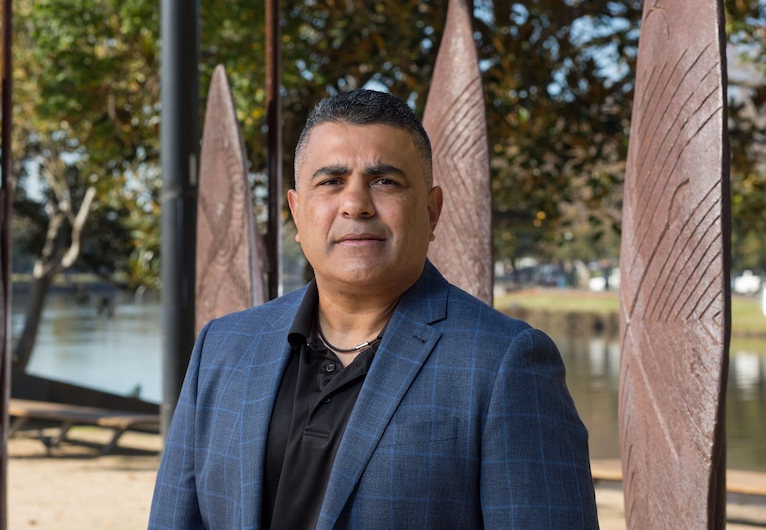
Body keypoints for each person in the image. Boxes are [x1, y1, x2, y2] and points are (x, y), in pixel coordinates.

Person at [148, 89, 598, 529]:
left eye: (385, 181)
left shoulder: (506, 362)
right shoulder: (223, 347)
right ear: (297, 212)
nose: (356, 205)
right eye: (331, 181)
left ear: (432, 211)